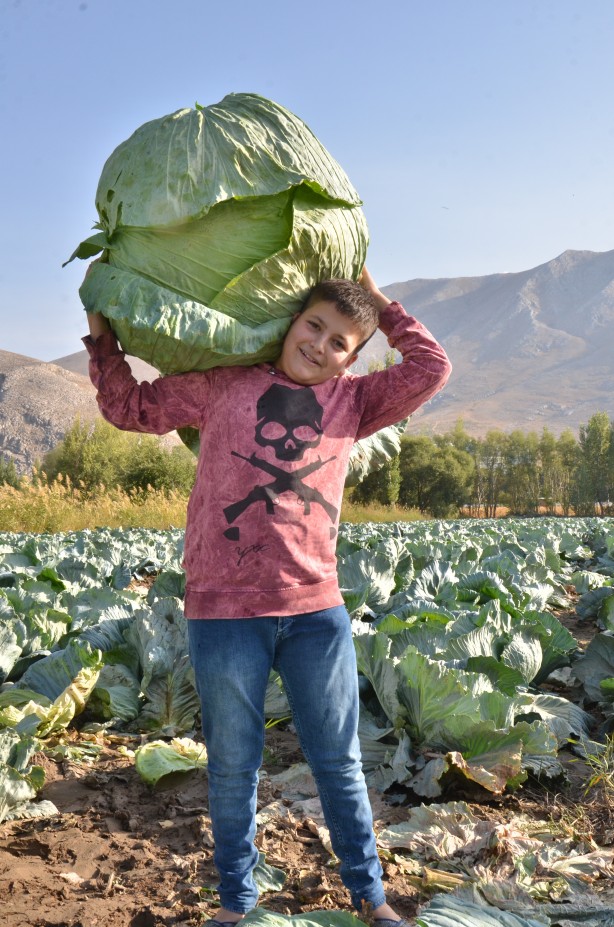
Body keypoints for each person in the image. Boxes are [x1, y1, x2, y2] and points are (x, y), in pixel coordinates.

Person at [83, 266, 452, 927]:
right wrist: (100, 336)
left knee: (338, 763)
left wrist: (381, 301)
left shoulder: (355, 400)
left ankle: (372, 900)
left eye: (340, 340)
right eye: (314, 325)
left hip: (316, 615)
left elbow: (431, 366)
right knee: (233, 767)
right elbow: (129, 407)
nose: (319, 344)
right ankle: (236, 904)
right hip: (225, 613)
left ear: (353, 356)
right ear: (291, 321)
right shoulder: (224, 384)